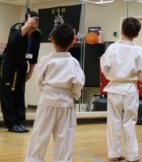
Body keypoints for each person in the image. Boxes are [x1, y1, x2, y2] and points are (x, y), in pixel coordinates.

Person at [25, 23, 85, 162]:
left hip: (47, 101)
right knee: (64, 138)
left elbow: (39, 80)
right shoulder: (73, 63)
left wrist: (45, 91)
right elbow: (78, 84)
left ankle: (33, 159)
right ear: (72, 42)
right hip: (66, 103)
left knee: (39, 135)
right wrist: (74, 95)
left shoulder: (46, 60)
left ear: (52, 40)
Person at [100, 17, 142, 162]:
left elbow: (105, 67)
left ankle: (114, 153)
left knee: (114, 121)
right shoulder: (138, 50)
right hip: (130, 89)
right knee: (130, 121)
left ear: (121, 30)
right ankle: (132, 155)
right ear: (137, 34)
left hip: (115, 87)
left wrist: (112, 75)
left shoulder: (112, 48)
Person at [0, 11, 41, 133]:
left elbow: (34, 54)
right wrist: (27, 25)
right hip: (9, 66)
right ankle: (11, 124)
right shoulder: (17, 27)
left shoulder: (37, 35)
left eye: (37, 21)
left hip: (22, 66)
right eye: (33, 20)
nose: (35, 23)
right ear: (26, 19)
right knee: (8, 95)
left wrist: (31, 71)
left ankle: (20, 122)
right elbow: (12, 41)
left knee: (19, 94)